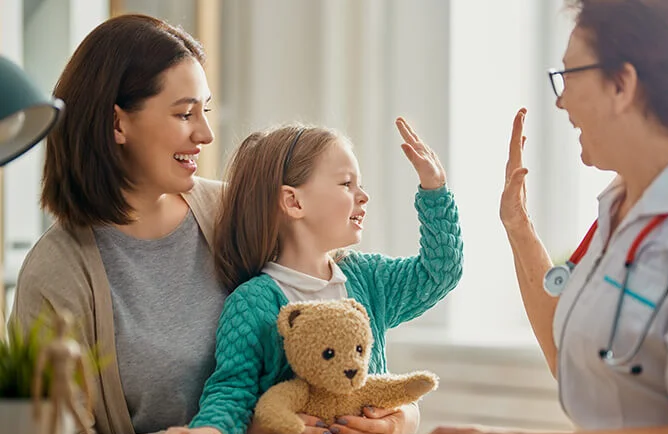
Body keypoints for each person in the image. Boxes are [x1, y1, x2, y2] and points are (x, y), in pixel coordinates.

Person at [433, 1, 668, 434]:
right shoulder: (623, 209)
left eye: (570, 76)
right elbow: (574, 363)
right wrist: (519, 227)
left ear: (622, 84)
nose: (561, 102)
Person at [171, 119, 463, 434]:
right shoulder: (252, 303)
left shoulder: (368, 279)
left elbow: (441, 270)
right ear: (294, 202)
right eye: (346, 183)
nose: (363, 196)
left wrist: (435, 191)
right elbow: (232, 392)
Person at [10, 14, 225, 434]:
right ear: (117, 123)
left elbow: (347, 297)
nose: (205, 134)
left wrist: (395, 416)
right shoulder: (55, 273)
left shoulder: (234, 210)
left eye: (206, 110)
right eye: (185, 114)